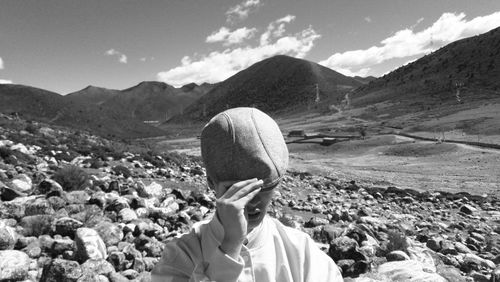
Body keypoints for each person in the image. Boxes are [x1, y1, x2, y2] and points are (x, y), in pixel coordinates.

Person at [152, 107, 343, 282]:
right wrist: (230, 245)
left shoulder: (302, 251)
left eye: (263, 188)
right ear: (210, 182)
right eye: (236, 190)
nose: (250, 202)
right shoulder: (181, 256)